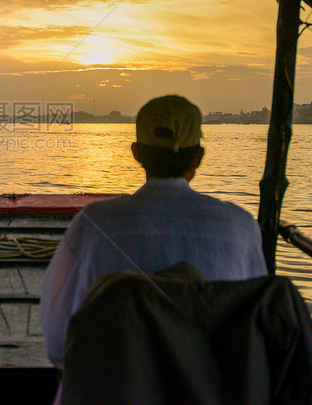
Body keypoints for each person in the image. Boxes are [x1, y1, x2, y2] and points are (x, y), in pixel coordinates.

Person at [40, 94, 268, 375]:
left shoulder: (95, 224)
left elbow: (58, 343)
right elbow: (258, 334)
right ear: (198, 157)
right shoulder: (242, 226)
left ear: (136, 153)